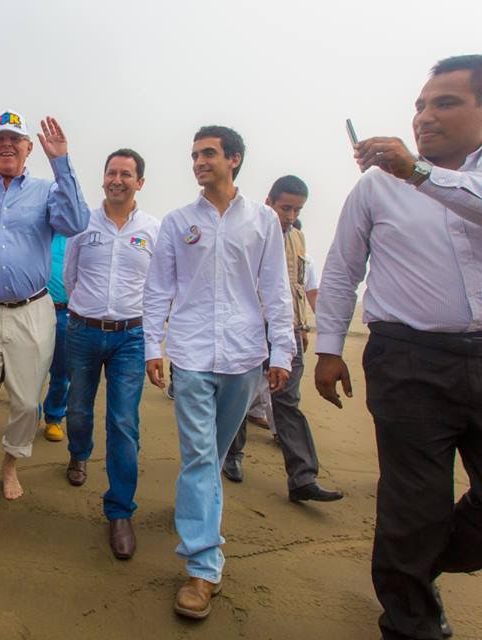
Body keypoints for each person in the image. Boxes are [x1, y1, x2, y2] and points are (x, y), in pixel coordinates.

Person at [314, 55, 482, 640]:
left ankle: (424, 563)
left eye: (445, 103)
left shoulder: (420, 176)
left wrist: (419, 174)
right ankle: (411, 618)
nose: (425, 117)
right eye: (419, 105)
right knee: (414, 505)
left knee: (428, 532)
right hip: (408, 361)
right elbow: (341, 271)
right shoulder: (375, 187)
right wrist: (328, 348)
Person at [144, 126, 294, 619]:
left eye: (208, 154)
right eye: (193, 155)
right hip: (188, 355)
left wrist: (281, 353)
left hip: (244, 356)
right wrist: (154, 346)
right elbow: (159, 287)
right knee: (200, 456)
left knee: (215, 450)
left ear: (234, 159)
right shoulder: (177, 221)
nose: (198, 162)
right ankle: (203, 567)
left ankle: (195, 510)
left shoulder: (263, 220)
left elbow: (276, 288)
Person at [0, 111, 90, 542]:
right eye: (0, 139)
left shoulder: (48, 191)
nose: (7, 145)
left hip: (32, 311)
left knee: (26, 403)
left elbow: (77, 222)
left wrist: (61, 161)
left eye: (16, 140)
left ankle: (10, 462)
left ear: (29, 149)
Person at [63, 148, 160, 559]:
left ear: (140, 182)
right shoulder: (83, 223)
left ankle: (120, 511)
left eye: (126, 174)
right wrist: (84, 311)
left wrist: (154, 340)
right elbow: (70, 275)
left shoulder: (154, 228)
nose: (117, 179)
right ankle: (78, 453)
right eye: (111, 172)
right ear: (102, 178)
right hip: (83, 331)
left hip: (131, 338)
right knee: (79, 408)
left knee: (123, 421)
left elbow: (158, 288)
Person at [222, 176, 344, 502]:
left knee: (287, 403)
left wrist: (302, 329)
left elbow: (301, 289)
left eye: (296, 209)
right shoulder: (248, 235)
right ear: (269, 202)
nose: (290, 216)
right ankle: (231, 456)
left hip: (287, 333)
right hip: (249, 332)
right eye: (285, 208)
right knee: (240, 399)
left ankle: (303, 478)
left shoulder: (299, 239)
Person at [40, 232, 70, 442]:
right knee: (26, 369)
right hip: (34, 309)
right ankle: (26, 415)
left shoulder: (78, 233)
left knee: (62, 371)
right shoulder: (36, 230)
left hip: (67, 311)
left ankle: (54, 417)